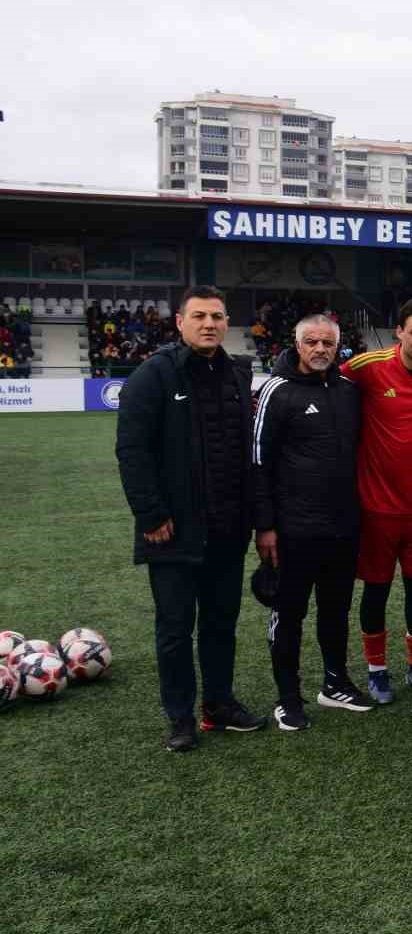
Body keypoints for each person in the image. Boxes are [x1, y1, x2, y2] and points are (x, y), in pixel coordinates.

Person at [115, 285, 266, 750]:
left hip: (227, 528)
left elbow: (249, 451)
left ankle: (219, 704)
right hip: (174, 530)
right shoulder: (152, 375)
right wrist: (151, 514)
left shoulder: (239, 373)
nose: (209, 324)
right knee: (176, 628)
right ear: (179, 323)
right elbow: (132, 451)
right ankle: (180, 717)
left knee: (221, 624)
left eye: (217, 316)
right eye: (199, 316)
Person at [252, 313, 370, 730]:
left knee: (336, 610)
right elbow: (258, 462)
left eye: (328, 343)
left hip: (342, 526)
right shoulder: (277, 391)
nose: (320, 349)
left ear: (338, 346)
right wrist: (264, 526)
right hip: (292, 529)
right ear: (297, 345)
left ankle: (335, 683)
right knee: (289, 613)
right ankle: (287, 697)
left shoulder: (348, 391)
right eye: (312, 342)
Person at [341, 296, 412, 704]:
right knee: (375, 591)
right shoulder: (367, 367)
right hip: (375, 509)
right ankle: (376, 671)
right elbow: (320, 378)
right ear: (399, 333)